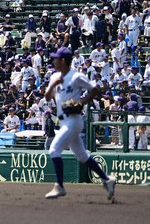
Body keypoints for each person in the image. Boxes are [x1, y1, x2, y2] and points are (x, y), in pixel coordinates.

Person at [43, 47, 115, 200]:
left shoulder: (76, 76)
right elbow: (48, 97)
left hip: (74, 120)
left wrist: (82, 101)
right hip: (64, 122)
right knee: (82, 156)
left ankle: (59, 186)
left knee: (54, 150)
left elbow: (95, 90)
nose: (53, 60)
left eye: (56, 58)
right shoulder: (55, 76)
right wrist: (53, 84)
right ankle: (107, 180)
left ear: (63, 61)